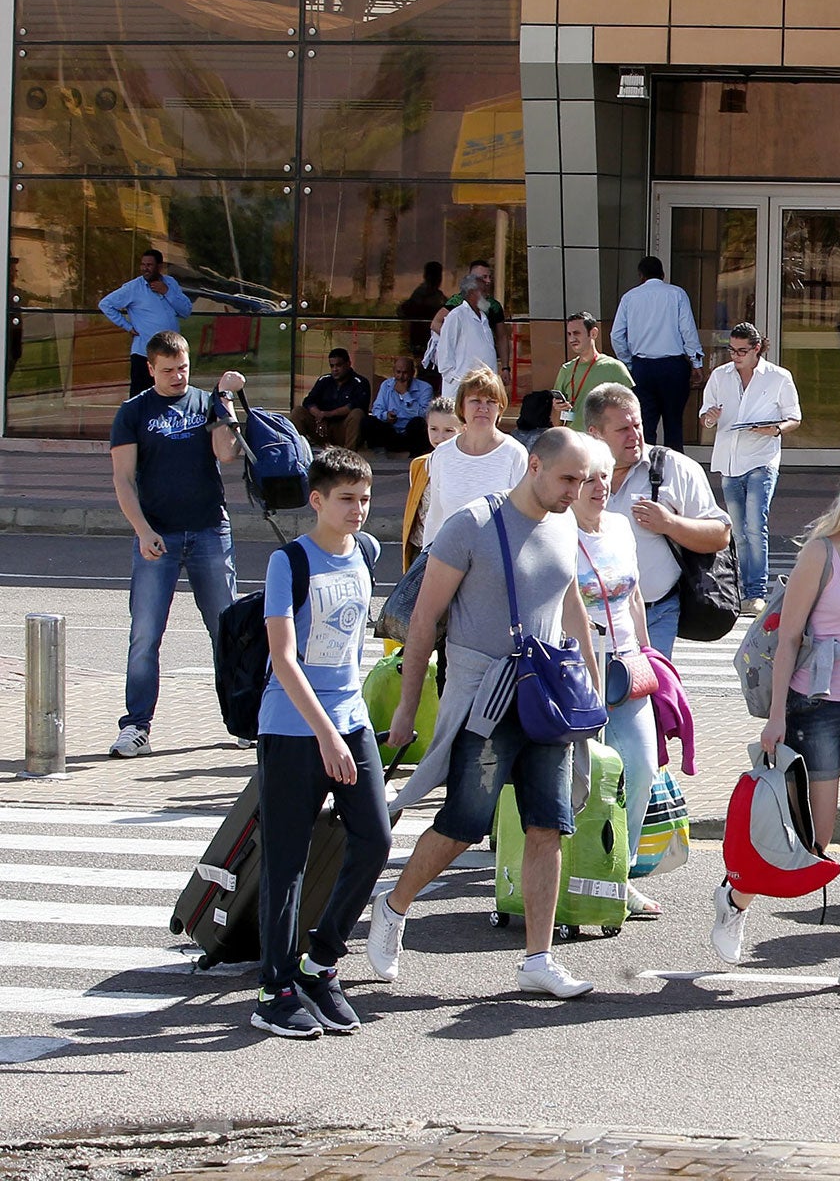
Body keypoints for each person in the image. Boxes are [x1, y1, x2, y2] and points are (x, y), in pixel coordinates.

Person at [370, 428, 606, 1000]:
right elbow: (423, 620)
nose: (577, 491)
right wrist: (407, 709)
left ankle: (538, 959)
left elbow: (569, 598)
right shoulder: (473, 524)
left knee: (549, 826)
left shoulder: (564, 523)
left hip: (547, 701)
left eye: (584, 480)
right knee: (467, 820)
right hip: (489, 699)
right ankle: (394, 905)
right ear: (534, 466)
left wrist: (594, 689)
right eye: (567, 478)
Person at [713, 449, 840, 991]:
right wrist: (776, 716)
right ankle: (736, 897)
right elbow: (789, 639)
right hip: (814, 704)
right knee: (813, 837)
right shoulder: (821, 555)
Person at [249, 447, 390, 1039]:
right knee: (287, 860)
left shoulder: (364, 553)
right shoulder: (289, 562)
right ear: (317, 501)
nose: (358, 510)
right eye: (345, 500)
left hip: (350, 719)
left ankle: (321, 961)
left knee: (376, 839)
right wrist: (325, 734)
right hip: (292, 728)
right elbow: (283, 658)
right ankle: (274, 989)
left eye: (364, 499)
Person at [108, 332, 244, 757]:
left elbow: (227, 455)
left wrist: (225, 404)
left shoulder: (205, 402)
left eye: (182, 368)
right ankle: (136, 726)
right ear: (150, 369)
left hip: (208, 529)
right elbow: (123, 479)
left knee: (227, 630)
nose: (176, 376)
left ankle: (246, 719)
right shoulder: (133, 412)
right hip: (158, 535)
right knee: (145, 634)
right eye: (167, 370)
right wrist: (142, 529)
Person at [568, 450, 664, 922]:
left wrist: (647, 653)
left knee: (642, 767)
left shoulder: (622, 528)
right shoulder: (557, 534)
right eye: (588, 478)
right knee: (583, 782)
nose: (600, 486)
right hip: (576, 673)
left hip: (626, 670)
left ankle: (617, 876)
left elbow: (636, 597)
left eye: (604, 477)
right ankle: (573, 874)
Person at [588, 382, 731, 659]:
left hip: (656, 613)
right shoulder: (576, 473)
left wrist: (669, 524)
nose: (634, 436)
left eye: (637, 426)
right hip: (591, 620)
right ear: (595, 434)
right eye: (622, 430)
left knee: (648, 697)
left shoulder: (674, 468)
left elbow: (720, 534)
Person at [700, 322, 802, 614]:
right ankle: (743, 590)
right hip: (730, 460)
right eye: (731, 350)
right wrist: (710, 417)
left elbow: (793, 416)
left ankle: (756, 592)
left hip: (762, 458)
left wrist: (776, 430)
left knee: (756, 525)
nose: (735, 356)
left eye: (742, 351)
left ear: (757, 348)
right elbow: (705, 416)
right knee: (738, 531)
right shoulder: (721, 376)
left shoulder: (778, 377)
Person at [420, 369, 528, 549]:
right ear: (461, 406)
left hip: (497, 558)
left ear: (500, 408)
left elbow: (524, 515)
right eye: (475, 401)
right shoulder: (442, 454)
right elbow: (435, 514)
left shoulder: (515, 454)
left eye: (491, 402)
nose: (483, 408)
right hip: (448, 557)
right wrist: (427, 559)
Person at [611, 256, 706, 450]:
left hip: (642, 367)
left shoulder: (630, 297)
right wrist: (697, 363)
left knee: (645, 424)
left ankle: (645, 470)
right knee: (674, 423)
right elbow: (687, 329)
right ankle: (675, 470)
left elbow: (616, 334)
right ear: (663, 275)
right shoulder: (676, 294)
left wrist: (628, 362)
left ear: (641, 276)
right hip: (673, 366)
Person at [100, 249, 194, 397]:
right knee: (141, 399)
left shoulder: (170, 283)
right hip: (144, 354)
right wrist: (127, 326)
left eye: (150, 265)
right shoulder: (133, 288)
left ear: (160, 267)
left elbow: (186, 311)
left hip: (171, 354)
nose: (145, 268)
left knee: (170, 395)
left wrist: (167, 292)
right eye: (143, 265)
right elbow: (106, 304)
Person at [400, 396, 461, 571]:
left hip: (453, 551)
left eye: (449, 430)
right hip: (421, 548)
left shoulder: (467, 467)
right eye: (433, 429)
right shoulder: (420, 465)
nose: (439, 437)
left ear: (464, 429)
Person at [555, 312, 633, 432]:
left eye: (577, 333)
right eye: (569, 334)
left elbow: (631, 408)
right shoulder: (566, 369)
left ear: (593, 333)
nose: (572, 339)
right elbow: (556, 421)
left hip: (603, 441)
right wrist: (557, 408)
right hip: (574, 439)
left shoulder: (614, 368)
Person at [294, 348, 373, 453]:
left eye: (339, 365)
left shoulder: (359, 382)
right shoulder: (325, 380)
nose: (335, 369)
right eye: (332, 366)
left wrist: (328, 414)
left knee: (357, 414)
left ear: (348, 364)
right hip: (322, 427)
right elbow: (308, 401)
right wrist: (319, 415)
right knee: (298, 412)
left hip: (343, 429)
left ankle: (348, 457)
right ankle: (298, 453)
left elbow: (356, 405)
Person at [429, 274, 498, 387]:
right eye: (484, 291)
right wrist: (454, 378)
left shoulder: (484, 318)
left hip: (484, 386)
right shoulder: (457, 315)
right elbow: (445, 349)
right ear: (471, 293)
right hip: (462, 387)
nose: (487, 295)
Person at [443, 257, 507, 371]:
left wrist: (505, 367)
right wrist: (462, 340)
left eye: (489, 277)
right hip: (464, 368)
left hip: (487, 369)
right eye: (484, 277)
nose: (488, 281)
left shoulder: (493, 306)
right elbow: (436, 324)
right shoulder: (456, 304)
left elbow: (501, 337)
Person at [368, 356, 432, 456]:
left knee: (419, 423)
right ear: (394, 372)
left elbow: (424, 415)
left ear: (412, 373)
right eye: (398, 372)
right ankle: (380, 451)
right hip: (391, 430)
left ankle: (415, 454)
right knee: (369, 421)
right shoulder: (386, 385)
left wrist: (405, 394)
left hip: (411, 433)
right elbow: (377, 409)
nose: (401, 377)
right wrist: (386, 415)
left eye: (405, 373)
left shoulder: (425, 388)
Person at [398, 262, 445, 376]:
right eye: (435, 276)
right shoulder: (421, 295)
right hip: (423, 343)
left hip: (434, 343)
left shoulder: (437, 295)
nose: (438, 279)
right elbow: (406, 311)